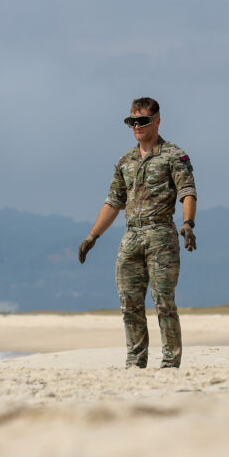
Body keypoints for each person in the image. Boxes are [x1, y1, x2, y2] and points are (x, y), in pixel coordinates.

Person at [78, 97, 197, 368]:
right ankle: (135, 360)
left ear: (157, 121)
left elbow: (188, 192)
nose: (137, 126)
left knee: (163, 300)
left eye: (142, 121)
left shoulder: (174, 155)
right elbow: (113, 202)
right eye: (132, 122)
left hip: (161, 234)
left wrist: (188, 224)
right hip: (131, 235)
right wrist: (92, 236)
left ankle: (170, 360)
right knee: (129, 302)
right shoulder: (125, 161)